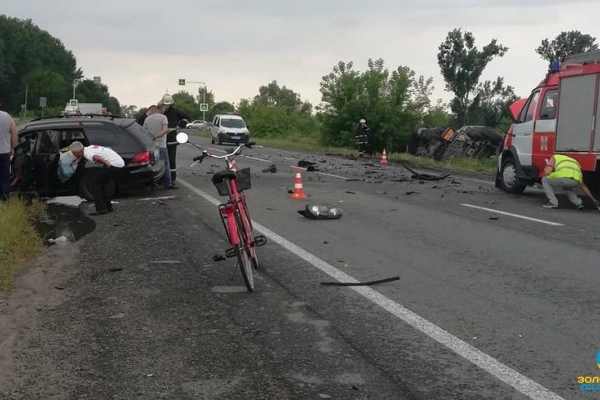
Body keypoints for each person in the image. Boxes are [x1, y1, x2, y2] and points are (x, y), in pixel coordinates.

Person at [69, 141, 125, 215]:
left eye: (73, 153)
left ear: (77, 152)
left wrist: (106, 165)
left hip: (114, 165)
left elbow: (98, 158)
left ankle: (101, 209)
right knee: (102, 184)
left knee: (94, 183)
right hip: (119, 163)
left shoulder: (87, 153)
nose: (73, 154)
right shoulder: (88, 148)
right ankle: (108, 207)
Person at [159, 94, 190, 185]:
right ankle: (161, 178)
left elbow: (187, 118)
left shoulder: (175, 112)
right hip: (161, 140)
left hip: (171, 140)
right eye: (165, 105)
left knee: (171, 160)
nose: (166, 107)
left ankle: (172, 178)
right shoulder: (160, 112)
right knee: (161, 160)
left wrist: (181, 124)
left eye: (168, 105)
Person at [143, 104, 175, 189]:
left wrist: (151, 138)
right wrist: (157, 136)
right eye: (164, 108)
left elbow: (144, 132)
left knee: (152, 164)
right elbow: (165, 130)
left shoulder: (147, 119)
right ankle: (167, 183)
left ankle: (153, 183)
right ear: (161, 108)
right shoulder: (163, 117)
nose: (165, 110)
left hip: (150, 146)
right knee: (165, 163)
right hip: (161, 144)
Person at [0, 96, 18, 201]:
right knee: (4, 177)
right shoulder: (7, 117)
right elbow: (15, 133)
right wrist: (13, 148)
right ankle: (4, 200)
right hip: (4, 152)